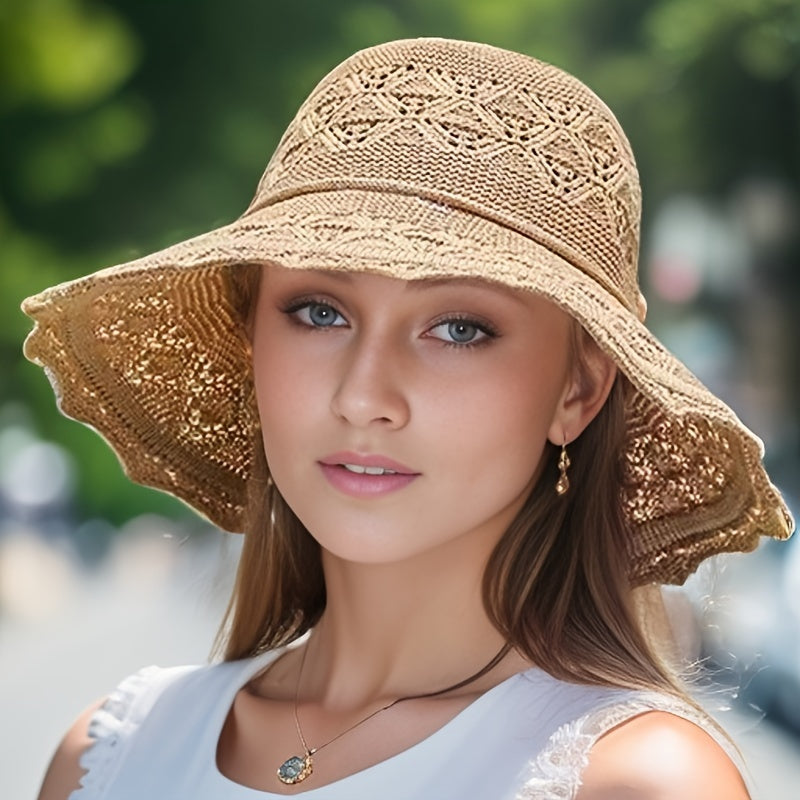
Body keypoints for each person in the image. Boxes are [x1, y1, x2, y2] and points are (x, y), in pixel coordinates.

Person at [23, 37, 792, 800]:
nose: (363, 396)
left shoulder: (637, 782)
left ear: (578, 392)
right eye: (319, 312)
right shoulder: (109, 756)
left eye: (458, 328)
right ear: (253, 339)